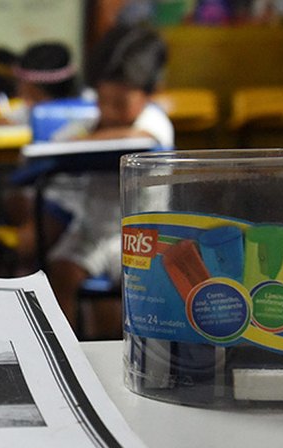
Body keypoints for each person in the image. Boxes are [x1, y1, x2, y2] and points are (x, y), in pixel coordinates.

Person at [46, 24, 173, 335]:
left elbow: (142, 137)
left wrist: (86, 141)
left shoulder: (154, 121)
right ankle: (66, 345)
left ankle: (123, 345)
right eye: (103, 102)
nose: (110, 112)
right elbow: (60, 143)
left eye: (120, 104)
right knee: (59, 272)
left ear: (148, 95)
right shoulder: (89, 125)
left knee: (137, 288)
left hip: (141, 235)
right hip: (91, 231)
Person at [0, 41, 85, 272]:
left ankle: (21, 269)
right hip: (37, 191)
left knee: (25, 205)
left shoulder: (87, 111)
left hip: (67, 197)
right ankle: (1, 269)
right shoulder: (24, 111)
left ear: (31, 84)